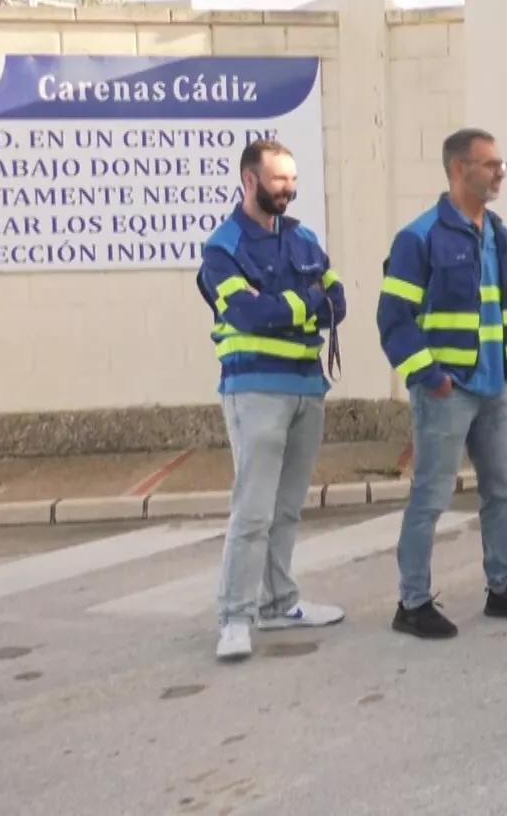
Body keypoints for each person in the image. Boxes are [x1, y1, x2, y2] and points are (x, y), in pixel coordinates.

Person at [379, 128, 507, 639]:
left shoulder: (498, 233)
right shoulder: (421, 235)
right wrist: (430, 377)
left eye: (501, 164)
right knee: (430, 497)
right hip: (446, 393)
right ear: (459, 170)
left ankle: (503, 588)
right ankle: (412, 602)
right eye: (489, 164)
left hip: (492, 387)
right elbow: (393, 316)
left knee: (502, 490)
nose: (499, 171)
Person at [198, 138, 348, 662]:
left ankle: (279, 603)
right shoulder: (223, 247)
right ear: (249, 181)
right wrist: (308, 303)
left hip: (307, 386)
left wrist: (290, 304)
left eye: (292, 178)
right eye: (278, 179)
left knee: (286, 509)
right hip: (255, 387)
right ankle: (235, 617)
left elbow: (339, 301)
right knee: (253, 511)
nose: (289, 188)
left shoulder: (303, 238)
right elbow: (247, 314)